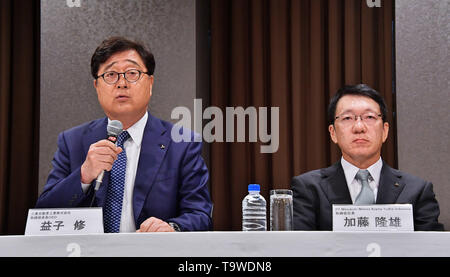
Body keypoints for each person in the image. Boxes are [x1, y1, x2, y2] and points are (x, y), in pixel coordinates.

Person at [36, 37, 212, 233]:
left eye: (132, 73)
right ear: (96, 87)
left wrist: (172, 228)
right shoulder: (72, 141)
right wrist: (84, 175)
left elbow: (200, 215)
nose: (122, 83)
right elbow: (44, 215)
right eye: (111, 74)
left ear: (150, 83)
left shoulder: (182, 143)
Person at [291, 84, 444, 231]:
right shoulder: (309, 188)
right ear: (333, 133)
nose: (359, 127)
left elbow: (433, 250)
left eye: (369, 117)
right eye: (347, 118)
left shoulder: (417, 190)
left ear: (385, 131)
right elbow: (300, 250)